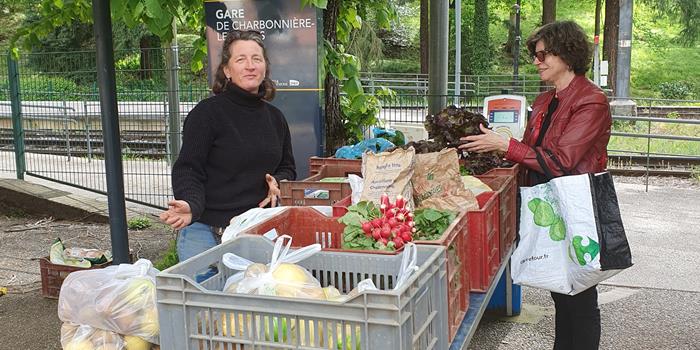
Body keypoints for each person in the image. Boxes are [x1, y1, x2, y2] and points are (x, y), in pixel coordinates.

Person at [460, 21, 610, 350]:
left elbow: (560, 160)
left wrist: (505, 146)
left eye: (543, 54)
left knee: (581, 297)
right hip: (544, 205)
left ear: (567, 54)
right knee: (560, 290)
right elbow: (531, 152)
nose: (536, 61)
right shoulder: (544, 102)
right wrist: (491, 153)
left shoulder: (591, 101)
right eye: (535, 55)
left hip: (575, 207)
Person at [160, 30, 296, 275]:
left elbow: (288, 167)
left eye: (257, 59)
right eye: (240, 59)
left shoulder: (276, 118)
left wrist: (278, 182)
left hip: (253, 232)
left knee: (250, 307)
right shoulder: (207, 115)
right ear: (227, 70)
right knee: (207, 309)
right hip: (205, 231)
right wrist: (191, 204)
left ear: (265, 67)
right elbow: (188, 168)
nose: (250, 66)